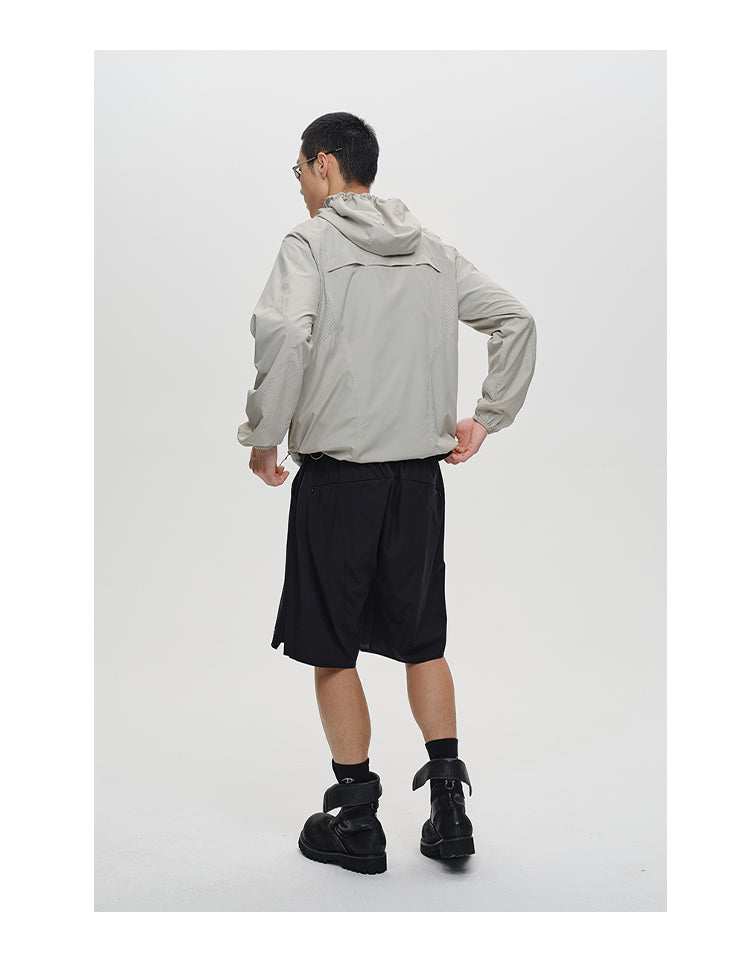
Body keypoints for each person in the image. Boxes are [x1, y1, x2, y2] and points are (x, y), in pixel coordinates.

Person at [237, 112, 536, 875]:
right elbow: (514, 319)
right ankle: (451, 812)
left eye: (300, 170)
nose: (300, 185)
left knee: (331, 645)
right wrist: (487, 418)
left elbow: (285, 335)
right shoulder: (431, 250)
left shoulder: (309, 243)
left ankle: (358, 820)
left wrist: (264, 435)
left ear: (324, 164)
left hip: (338, 480)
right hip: (417, 483)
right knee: (422, 641)